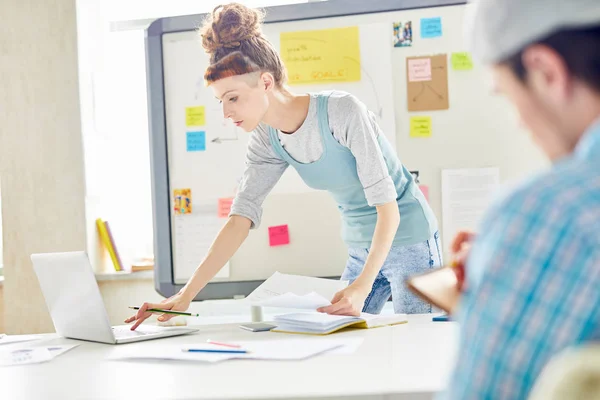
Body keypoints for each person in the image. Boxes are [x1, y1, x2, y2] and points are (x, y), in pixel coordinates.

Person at [126, 3, 440, 330]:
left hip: (409, 236)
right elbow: (240, 219)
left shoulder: (342, 112)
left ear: (264, 82)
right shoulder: (266, 139)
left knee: (415, 341)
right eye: (221, 101)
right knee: (343, 337)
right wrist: (185, 295)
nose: (226, 113)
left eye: (233, 98)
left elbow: (388, 207)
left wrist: (362, 285)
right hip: (362, 247)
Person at [441, 0, 600, 398]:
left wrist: (517, 251)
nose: (518, 121)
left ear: (547, 71)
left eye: (507, 95)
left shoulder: (550, 211)